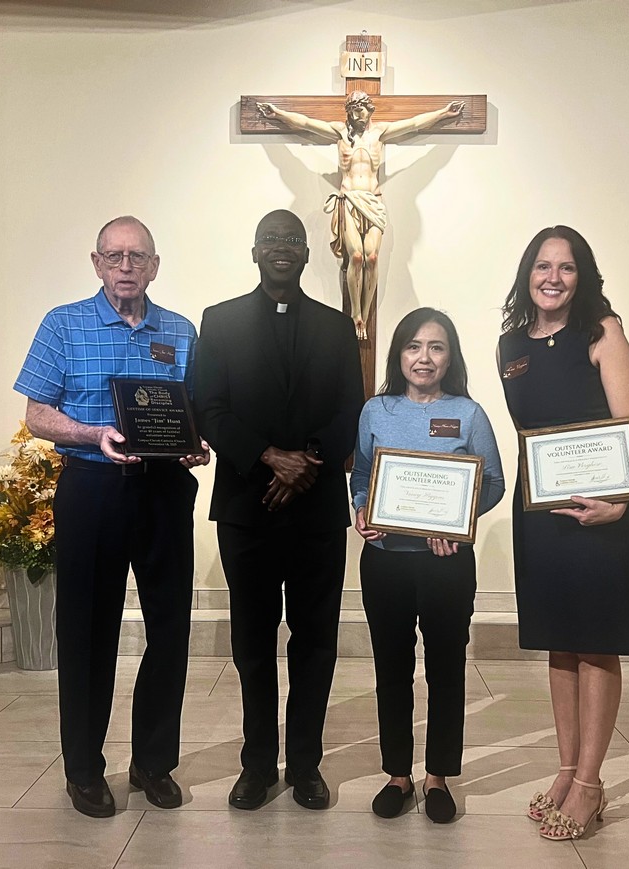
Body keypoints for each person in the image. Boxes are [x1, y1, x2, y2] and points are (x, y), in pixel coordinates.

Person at [14, 216, 210, 818]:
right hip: (92, 487)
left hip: (164, 491)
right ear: (96, 263)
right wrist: (92, 433)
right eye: (115, 256)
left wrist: (194, 444)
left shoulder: (180, 331)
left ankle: (153, 762)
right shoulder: (63, 323)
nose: (127, 266)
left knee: (170, 629)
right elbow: (37, 414)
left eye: (138, 256)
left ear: (155, 266)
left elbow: (192, 412)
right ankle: (83, 770)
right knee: (87, 632)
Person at [194, 209, 365, 811]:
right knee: (252, 642)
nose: (282, 248)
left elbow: (352, 408)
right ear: (255, 251)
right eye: (271, 239)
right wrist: (269, 457)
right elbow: (208, 408)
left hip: (317, 511)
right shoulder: (219, 322)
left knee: (316, 642)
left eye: (293, 240)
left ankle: (307, 765)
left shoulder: (337, 327)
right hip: (248, 507)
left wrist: (307, 461)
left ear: (308, 253)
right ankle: (258, 764)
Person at [497, 226, 629, 841]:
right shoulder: (509, 344)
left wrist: (620, 503)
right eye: (543, 266)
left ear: (582, 277)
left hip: (602, 512)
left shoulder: (602, 330)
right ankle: (566, 770)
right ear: (527, 274)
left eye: (566, 267)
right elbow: (531, 432)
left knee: (595, 643)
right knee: (559, 642)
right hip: (541, 513)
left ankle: (590, 783)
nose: (553, 278)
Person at [351, 308, 505, 823]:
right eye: (413, 346)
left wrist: (456, 522)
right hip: (385, 562)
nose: (424, 357)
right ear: (399, 354)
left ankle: (438, 776)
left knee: (445, 669)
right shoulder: (376, 410)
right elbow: (362, 475)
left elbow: (493, 483)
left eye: (436, 347)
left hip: (446, 565)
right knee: (391, 669)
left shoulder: (469, 413)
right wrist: (361, 510)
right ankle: (398, 774)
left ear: (450, 357)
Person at [256, 93, 464, 339]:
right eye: (354, 110)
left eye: (363, 109)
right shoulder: (339, 133)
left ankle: (366, 311)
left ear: (370, 110)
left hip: (373, 201)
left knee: (372, 258)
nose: (359, 115)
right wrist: (277, 114)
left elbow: (414, 123)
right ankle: (356, 314)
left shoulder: (380, 133)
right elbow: (306, 123)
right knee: (356, 257)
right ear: (349, 112)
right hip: (349, 200)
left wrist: (444, 113)